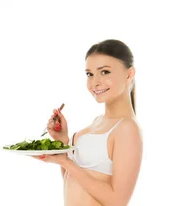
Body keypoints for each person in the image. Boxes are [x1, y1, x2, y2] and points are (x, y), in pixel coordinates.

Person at [35, 39, 143, 206]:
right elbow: (70, 181)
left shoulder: (127, 128)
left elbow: (117, 201)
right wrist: (62, 141)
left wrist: (65, 162)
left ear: (129, 74)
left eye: (105, 72)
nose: (95, 82)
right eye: (89, 74)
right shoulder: (97, 123)